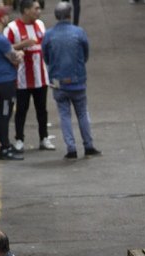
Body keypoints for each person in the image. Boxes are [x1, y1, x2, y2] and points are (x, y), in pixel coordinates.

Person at [41, 2, 101, 160]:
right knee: (82, 113)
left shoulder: (49, 35)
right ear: (70, 15)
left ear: (55, 16)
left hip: (58, 82)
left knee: (64, 115)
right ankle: (88, 146)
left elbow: (46, 57)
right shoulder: (79, 32)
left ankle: (71, 149)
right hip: (77, 80)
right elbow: (85, 53)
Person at [6, 0, 55, 152]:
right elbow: (5, 47)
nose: (39, 11)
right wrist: (22, 44)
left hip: (41, 77)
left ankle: (44, 138)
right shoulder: (12, 28)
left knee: (42, 109)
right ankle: (19, 139)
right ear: (26, 10)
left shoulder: (40, 24)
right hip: (22, 79)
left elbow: (45, 46)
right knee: (21, 110)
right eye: (36, 8)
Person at [0, 7, 25, 161]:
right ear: (1, 19)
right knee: (4, 115)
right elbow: (14, 58)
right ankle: (4, 147)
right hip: (5, 83)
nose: (7, 17)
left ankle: (6, 144)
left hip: (2, 81)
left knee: (6, 113)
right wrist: (21, 53)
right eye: (5, 15)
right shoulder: (0, 39)